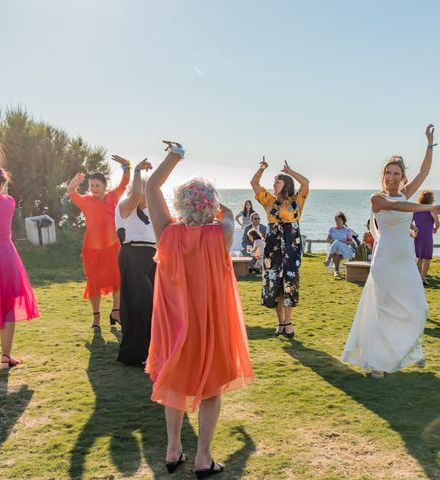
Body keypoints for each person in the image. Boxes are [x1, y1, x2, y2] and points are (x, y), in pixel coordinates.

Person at [145, 141, 253, 478]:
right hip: (209, 324)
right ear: (210, 206)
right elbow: (231, 217)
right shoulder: (220, 232)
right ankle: (204, 457)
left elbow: (151, 186)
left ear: (179, 205)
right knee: (211, 387)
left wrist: (175, 155)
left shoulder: (166, 232)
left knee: (175, 385)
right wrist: (221, 209)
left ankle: (173, 449)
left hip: (173, 324)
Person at [341, 124, 440, 378]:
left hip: (405, 260)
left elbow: (423, 172)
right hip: (386, 260)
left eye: (396, 173)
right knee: (384, 310)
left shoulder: (405, 193)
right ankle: (378, 362)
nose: (391, 177)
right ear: (383, 175)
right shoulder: (376, 198)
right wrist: (430, 209)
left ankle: (411, 348)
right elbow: (398, 208)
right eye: (388, 172)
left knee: (418, 307)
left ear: (402, 177)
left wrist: (429, 143)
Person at [67, 156, 130, 328]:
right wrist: (75, 181)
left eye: (97, 185)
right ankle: (96, 317)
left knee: (117, 279)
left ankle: (116, 311)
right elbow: (72, 192)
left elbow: (125, 182)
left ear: (104, 186)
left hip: (112, 247)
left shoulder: (113, 196)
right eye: (92, 186)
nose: (94, 188)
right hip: (92, 249)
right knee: (94, 283)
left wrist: (126, 165)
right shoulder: (86, 201)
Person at [251, 157, 309, 339]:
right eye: (274, 181)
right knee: (275, 284)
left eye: (277, 181)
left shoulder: (296, 200)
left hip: (291, 246)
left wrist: (289, 171)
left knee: (289, 284)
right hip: (272, 246)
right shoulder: (268, 200)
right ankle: (280, 323)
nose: (274, 183)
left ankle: (288, 322)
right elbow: (254, 183)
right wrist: (262, 168)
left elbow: (306, 183)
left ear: (286, 184)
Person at [0, 166, 40, 369]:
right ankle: (5, 357)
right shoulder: (10, 202)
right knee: (8, 306)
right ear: (3, 184)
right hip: (7, 256)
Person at [114, 157, 155, 366]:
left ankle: (150, 353)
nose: (147, 192)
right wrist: (137, 170)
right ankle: (135, 354)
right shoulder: (125, 205)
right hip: (132, 256)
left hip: (152, 259)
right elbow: (138, 193)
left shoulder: (151, 211)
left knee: (154, 307)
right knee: (140, 306)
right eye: (146, 188)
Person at [413, 189, 440, 285]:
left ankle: (417, 278)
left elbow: (409, 223)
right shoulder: (431, 210)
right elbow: (437, 224)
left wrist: (414, 230)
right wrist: (435, 228)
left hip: (417, 236)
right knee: (427, 258)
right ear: (430, 199)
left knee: (419, 258)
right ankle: (423, 278)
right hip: (427, 237)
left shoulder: (416, 209)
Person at [323, 211, 356, 278]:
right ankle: (336, 272)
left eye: (339, 220)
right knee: (336, 251)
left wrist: (342, 242)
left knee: (337, 242)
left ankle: (328, 259)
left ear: (343, 221)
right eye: (336, 220)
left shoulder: (347, 230)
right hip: (335, 250)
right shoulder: (332, 229)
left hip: (344, 249)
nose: (337, 221)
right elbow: (328, 239)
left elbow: (351, 242)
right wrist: (333, 242)